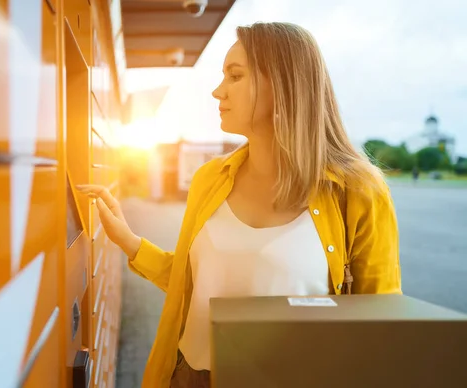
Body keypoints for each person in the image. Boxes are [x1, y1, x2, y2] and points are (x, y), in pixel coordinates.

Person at [77, 22, 402, 388]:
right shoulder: (209, 179)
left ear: (283, 84)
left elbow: (381, 323)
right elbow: (197, 284)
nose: (218, 92)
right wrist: (130, 243)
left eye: (235, 76)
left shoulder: (358, 190)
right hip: (190, 378)